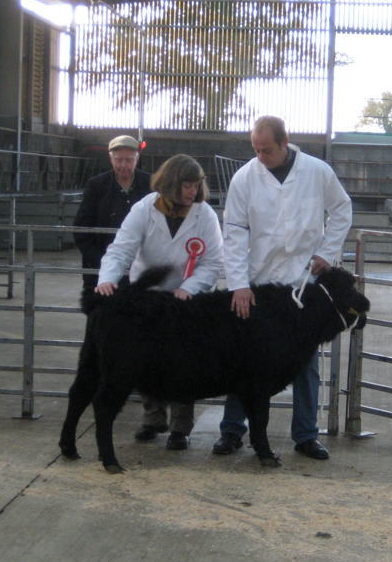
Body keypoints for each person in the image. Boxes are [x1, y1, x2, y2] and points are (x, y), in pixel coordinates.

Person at [213, 115, 352, 460]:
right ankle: (232, 430)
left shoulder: (317, 171)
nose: (261, 156)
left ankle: (306, 434)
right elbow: (234, 234)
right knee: (244, 357)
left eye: (268, 150)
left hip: (304, 283)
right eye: (256, 150)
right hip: (260, 283)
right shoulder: (245, 178)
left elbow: (342, 209)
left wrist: (326, 252)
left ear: (285, 141)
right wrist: (238, 285)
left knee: (306, 360)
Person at [96, 154, 223, 451]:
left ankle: (181, 426)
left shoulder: (204, 215)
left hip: (187, 299)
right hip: (150, 296)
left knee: (185, 362)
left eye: (196, 186)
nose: (193, 192)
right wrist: (108, 279)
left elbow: (213, 262)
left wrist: (189, 288)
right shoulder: (144, 208)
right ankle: (153, 418)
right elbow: (121, 249)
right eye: (186, 186)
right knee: (146, 357)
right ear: (170, 184)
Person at [73, 135, 151, 290]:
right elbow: (81, 227)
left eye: (129, 160)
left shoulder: (150, 184)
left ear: (137, 159)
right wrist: (99, 260)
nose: (123, 165)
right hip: (101, 263)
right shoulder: (96, 185)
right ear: (111, 159)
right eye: (118, 159)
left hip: (141, 266)